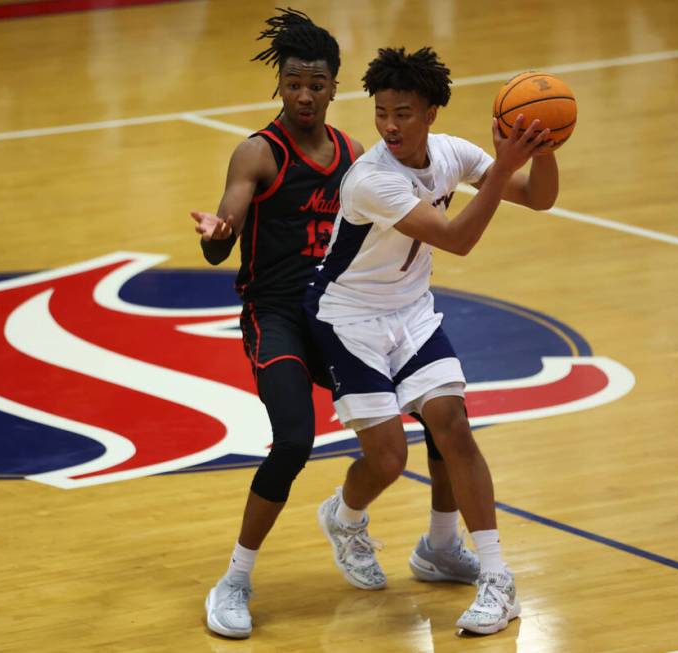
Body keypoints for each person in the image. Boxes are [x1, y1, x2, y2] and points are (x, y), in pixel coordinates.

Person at [192, 12, 481, 640]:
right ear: (281, 84)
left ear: (333, 87)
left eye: (315, 84)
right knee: (294, 440)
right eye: (292, 82)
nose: (303, 94)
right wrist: (219, 235)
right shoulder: (259, 152)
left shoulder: (357, 155)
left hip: (340, 311)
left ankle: (440, 544)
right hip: (278, 318)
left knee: (439, 410)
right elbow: (225, 229)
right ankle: (236, 578)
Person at [304, 46, 559, 636]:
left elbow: (540, 198)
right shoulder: (372, 179)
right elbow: (458, 239)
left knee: (453, 424)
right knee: (389, 458)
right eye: (382, 112)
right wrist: (499, 169)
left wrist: (542, 152)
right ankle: (345, 517)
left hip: (412, 312)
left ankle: (495, 577)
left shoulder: (450, 154)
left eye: (404, 113)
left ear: (432, 114)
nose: (390, 125)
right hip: (350, 318)